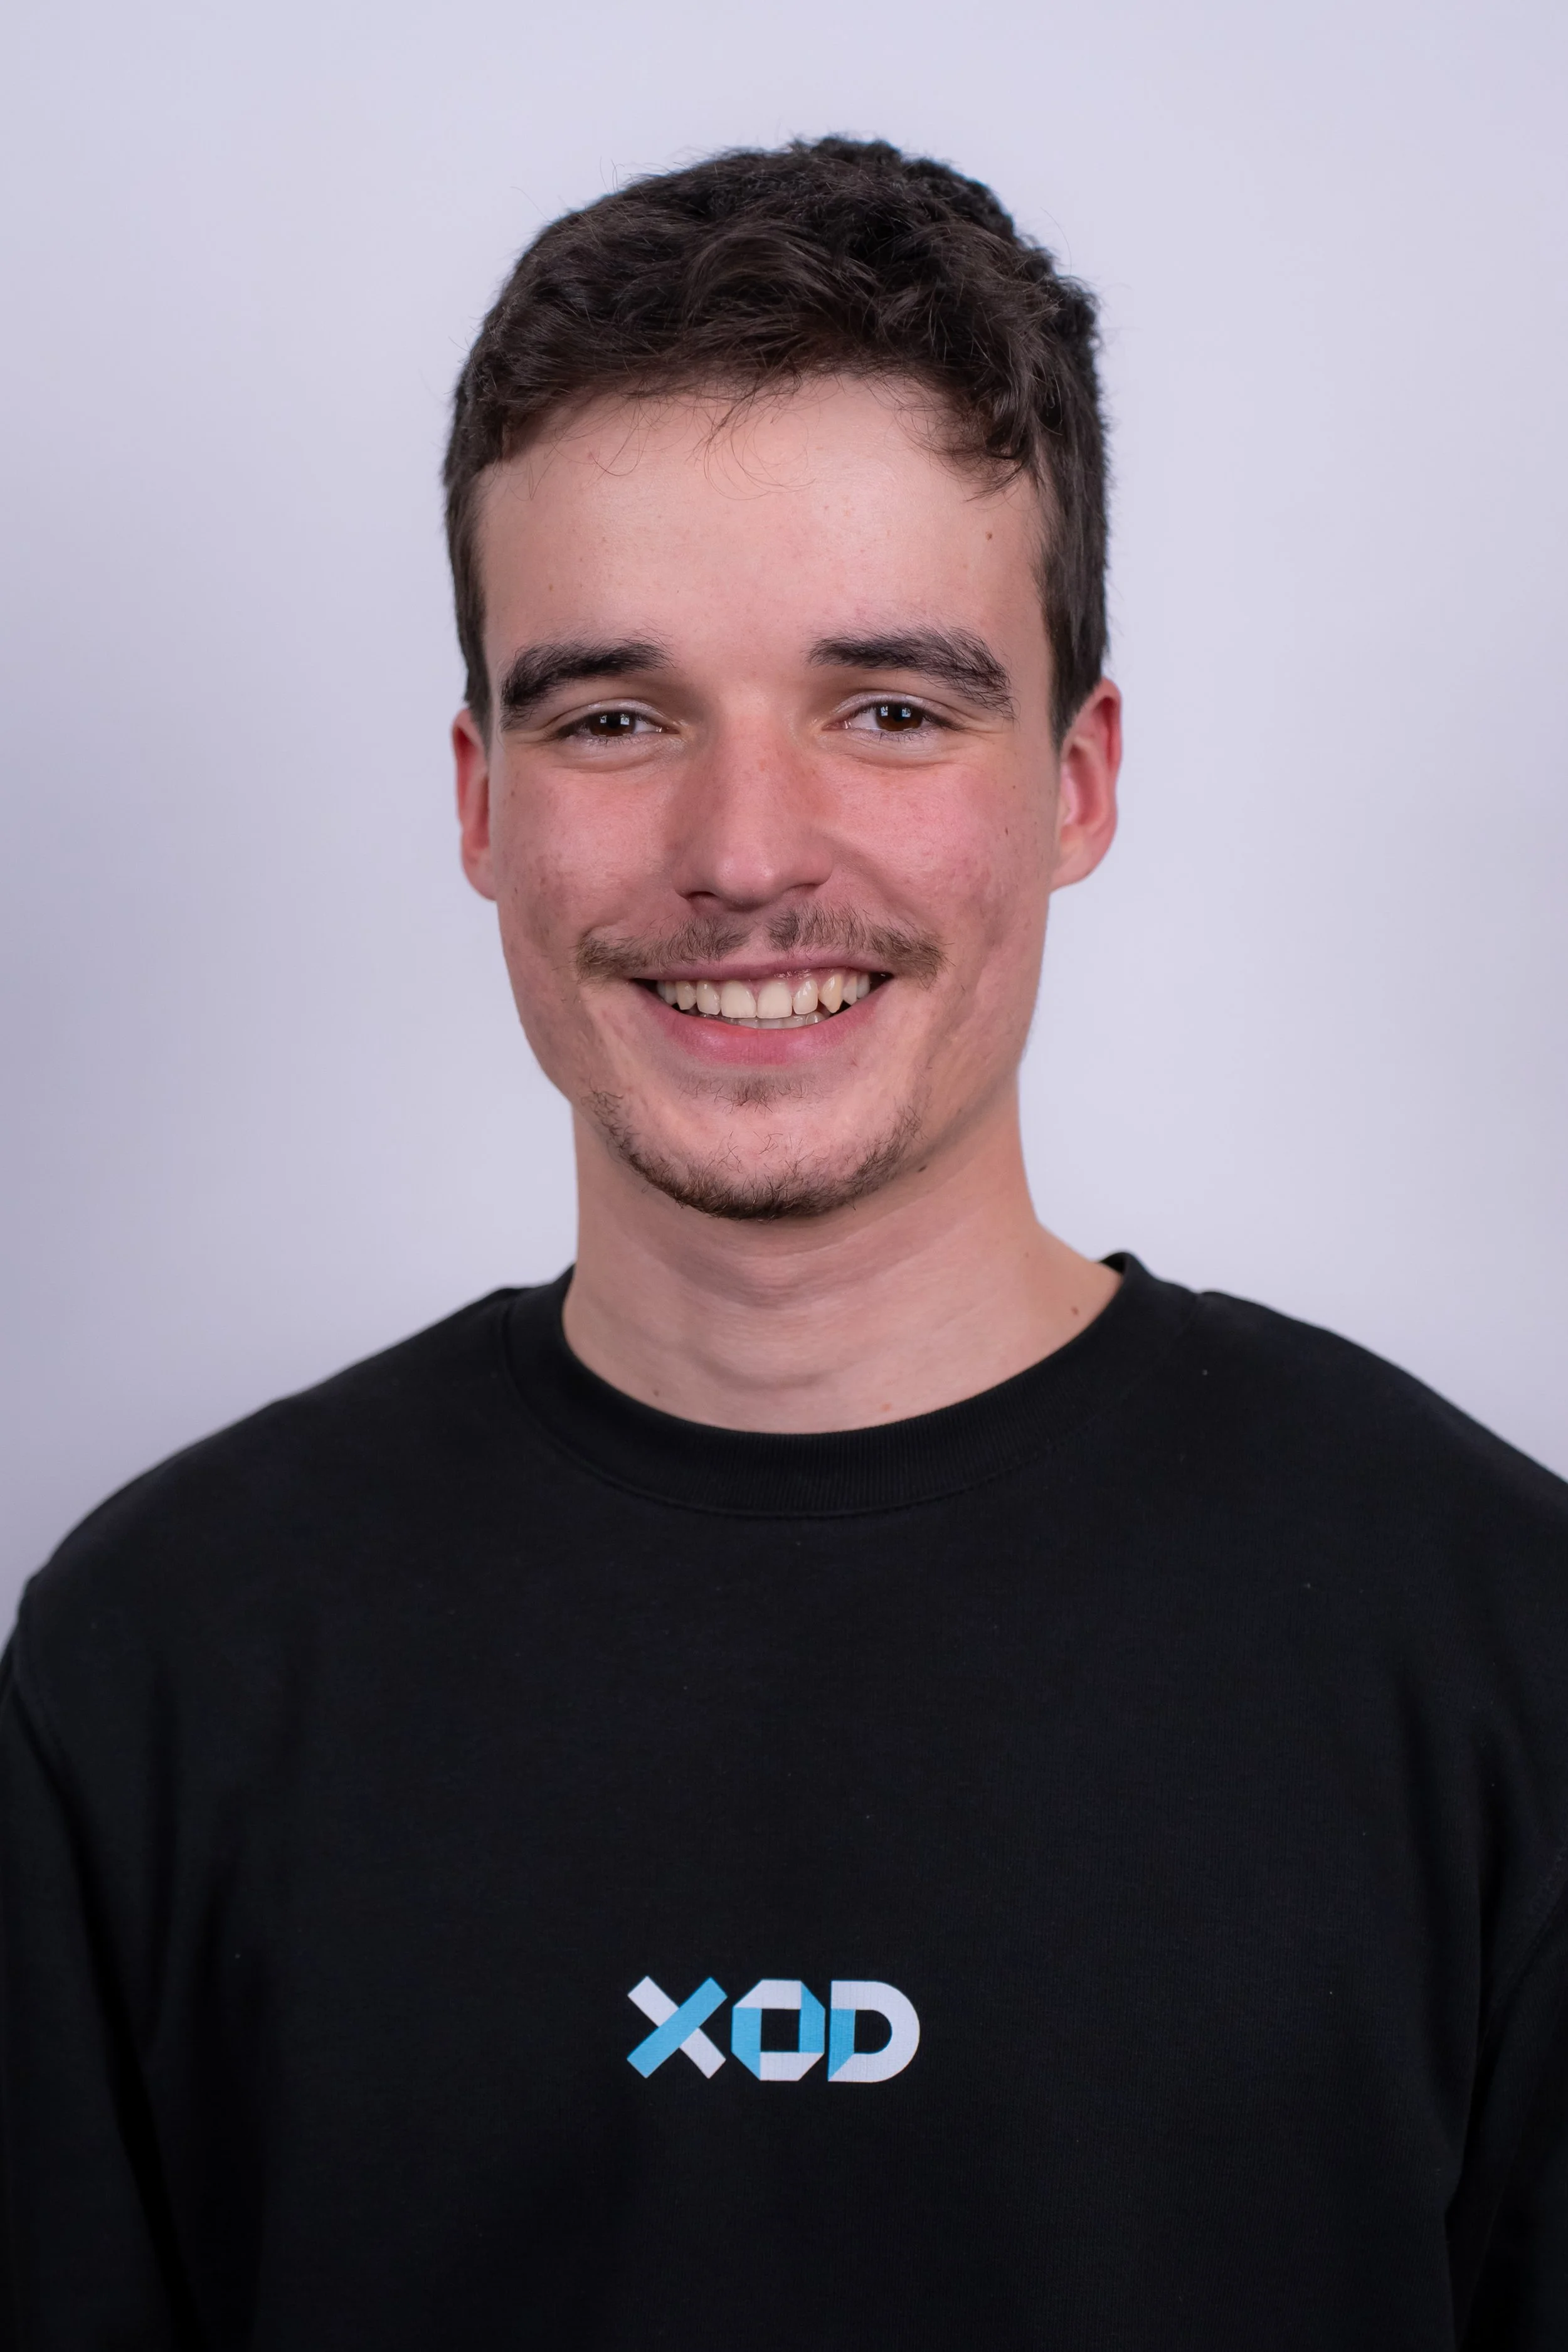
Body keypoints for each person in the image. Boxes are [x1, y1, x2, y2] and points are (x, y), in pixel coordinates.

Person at [1, 135, 1564, 2351]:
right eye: (616, 716)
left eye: (889, 709)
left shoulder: (1500, 1658)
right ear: (478, 800)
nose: (745, 855)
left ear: (1078, 778)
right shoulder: (153, 1678)